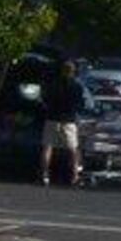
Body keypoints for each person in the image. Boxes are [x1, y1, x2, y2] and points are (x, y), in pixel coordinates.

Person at [38, 58, 91, 186]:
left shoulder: (53, 85)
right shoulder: (77, 86)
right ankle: (74, 176)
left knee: (47, 147)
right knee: (73, 149)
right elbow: (82, 104)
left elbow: (44, 100)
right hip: (69, 120)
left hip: (52, 118)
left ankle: (45, 175)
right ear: (73, 71)